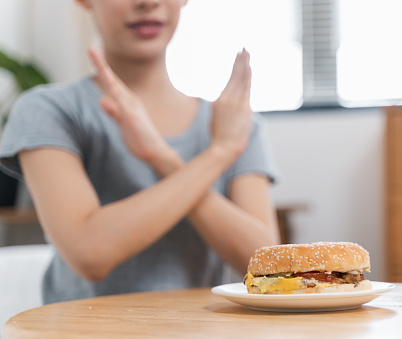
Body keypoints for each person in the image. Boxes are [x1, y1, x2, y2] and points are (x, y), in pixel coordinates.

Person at [0, 0, 280, 304]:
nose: (148, 3)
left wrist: (164, 157)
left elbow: (267, 266)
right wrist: (218, 154)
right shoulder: (48, 110)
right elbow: (90, 253)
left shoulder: (235, 125)